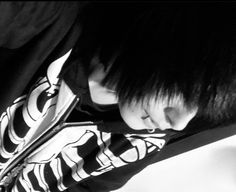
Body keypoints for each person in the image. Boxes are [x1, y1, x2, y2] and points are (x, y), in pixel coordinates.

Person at [0, 2, 236, 191]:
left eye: (201, 111)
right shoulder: (48, 19)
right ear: (171, 42)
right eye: (187, 93)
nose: (179, 122)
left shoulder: (139, 144)